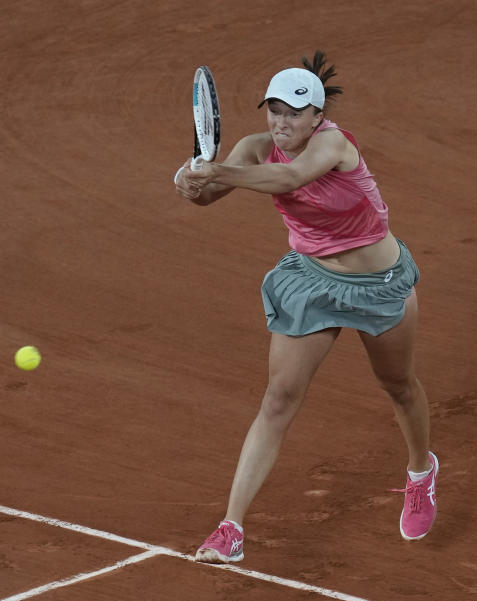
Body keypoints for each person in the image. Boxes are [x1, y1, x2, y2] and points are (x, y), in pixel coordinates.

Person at [174, 51, 438, 564]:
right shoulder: (255, 148)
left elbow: (289, 180)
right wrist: (190, 182)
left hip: (379, 285)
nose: (282, 122)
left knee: (399, 386)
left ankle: (420, 472)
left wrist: (219, 170)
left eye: (295, 112)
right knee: (278, 399)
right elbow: (207, 197)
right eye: (274, 110)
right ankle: (231, 528)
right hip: (312, 282)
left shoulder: (333, 145)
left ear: (318, 116)